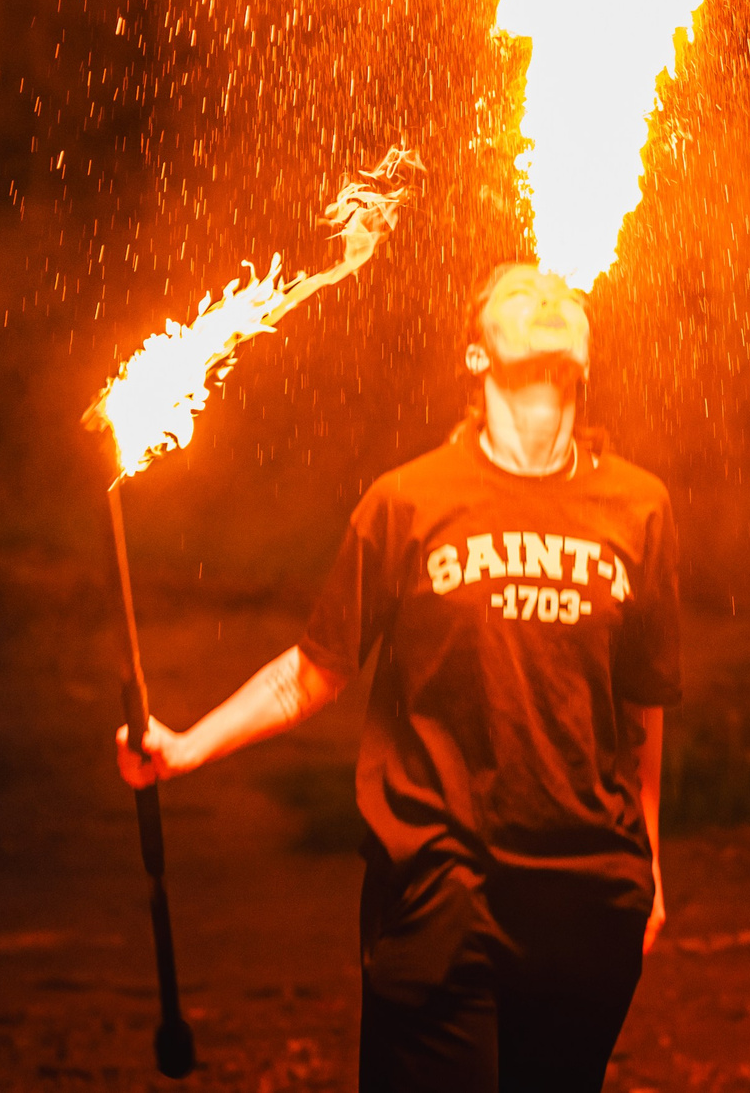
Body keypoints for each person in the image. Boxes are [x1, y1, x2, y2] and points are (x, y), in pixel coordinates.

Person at [116, 260, 682, 1093]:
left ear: (589, 356)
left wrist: (652, 870)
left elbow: (640, 708)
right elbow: (315, 670)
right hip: (442, 883)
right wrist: (186, 748)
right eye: (516, 294)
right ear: (474, 357)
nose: (547, 297)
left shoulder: (640, 507)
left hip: (590, 894)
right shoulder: (408, 501)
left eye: (563, 296)